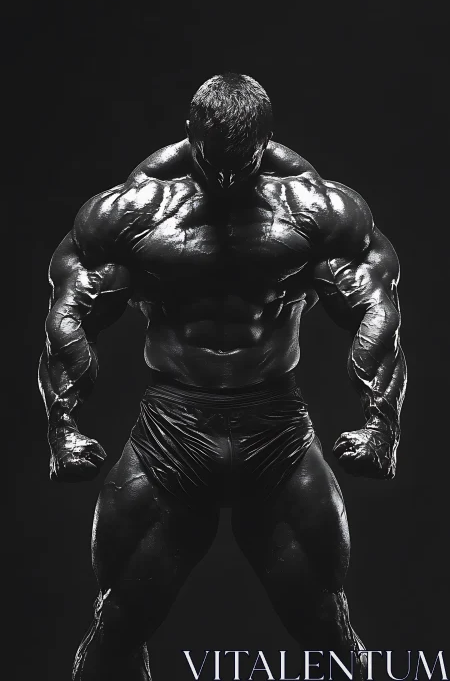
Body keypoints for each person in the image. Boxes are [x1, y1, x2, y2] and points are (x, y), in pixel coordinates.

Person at [38, 73, 407, 681]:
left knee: (326, 625)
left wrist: (381, 424)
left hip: (275, 429)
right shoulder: (132, 211)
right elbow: (68, 311)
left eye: (245, 163)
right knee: (119, 625)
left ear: (267, 141)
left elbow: (378, 307)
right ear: (190, 135)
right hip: (172, 429)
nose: (230, 179)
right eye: (215, 162)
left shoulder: (318, 209)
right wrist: (63, 425)